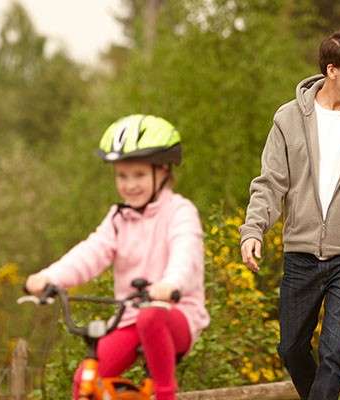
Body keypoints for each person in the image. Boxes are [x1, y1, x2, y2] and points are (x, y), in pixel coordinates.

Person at [239, 30, 340, 400]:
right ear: (332, 70)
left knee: (334, 351)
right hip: (301, 252)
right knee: (291, 347)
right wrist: (253, 229)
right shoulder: (289, 118)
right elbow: (270, 183)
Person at [24, 115, 209, 400]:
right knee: (87, 378)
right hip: (130, 318)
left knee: (150, 316)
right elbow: (91, 252)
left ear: (163, 172)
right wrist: (50, 277)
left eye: (138, 175)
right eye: (122, 176)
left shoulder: (180, 212)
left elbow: (185, 256)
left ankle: (165, 394)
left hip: (176, 316)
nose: (129, 184)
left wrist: (170, 285)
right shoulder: (118, 218)